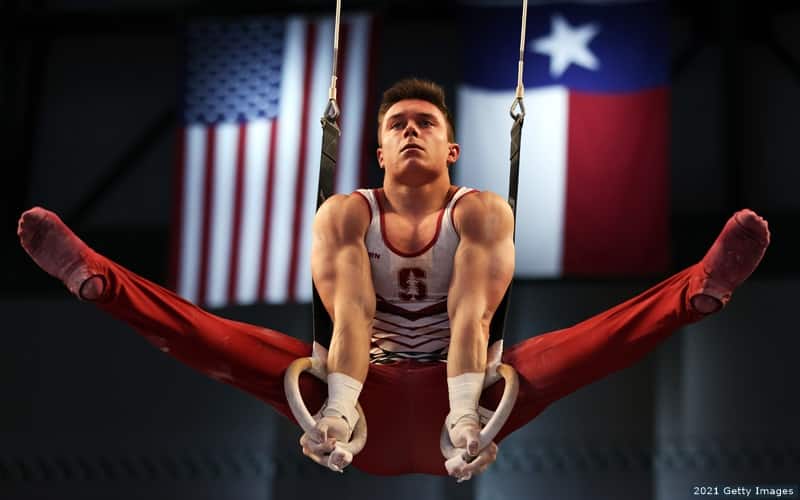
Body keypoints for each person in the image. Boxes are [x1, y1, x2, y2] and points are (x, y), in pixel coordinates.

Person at [17, 78, 770, 481]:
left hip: (467, 399)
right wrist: (336, 415)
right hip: (362, 405)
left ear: (451, 150)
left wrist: (469, 420)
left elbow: (475, 315)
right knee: (229, 344)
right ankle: (98, 281)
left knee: (557, 357)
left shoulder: (482, 212)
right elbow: (347, 318)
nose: (411, 129)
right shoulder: (346, 214)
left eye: (425, 124)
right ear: (378, 152)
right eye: (398, 124)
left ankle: (698, 290)